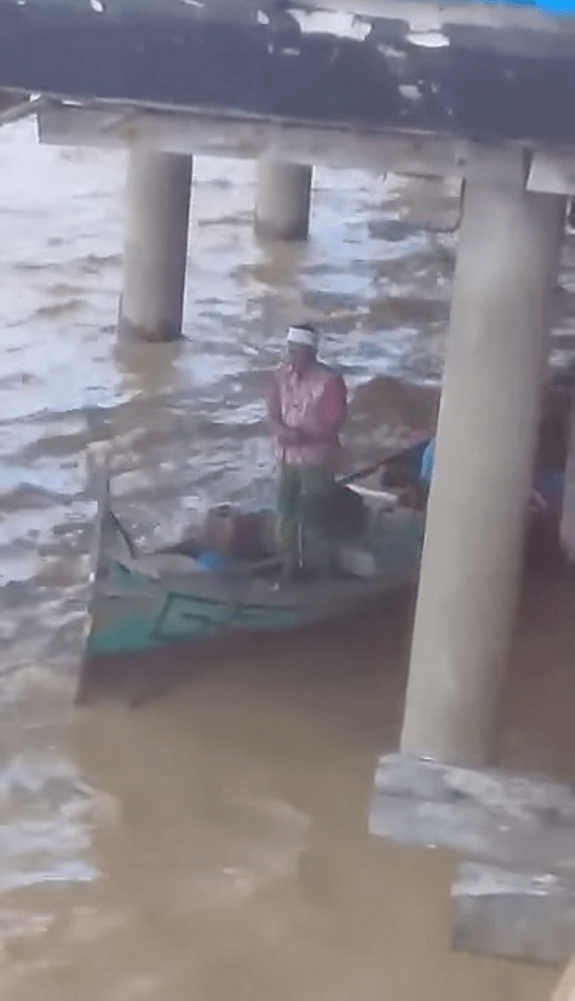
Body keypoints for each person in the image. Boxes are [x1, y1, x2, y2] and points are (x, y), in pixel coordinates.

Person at [267, 325, 348, 577]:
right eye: (290, 351)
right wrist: (281, 430)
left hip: (317, 460)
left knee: (316, 516)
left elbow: (334, 423)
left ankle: (325, 570)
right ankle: (289, 569)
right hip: (286, 458)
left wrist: (301, 437)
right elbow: (272, 411)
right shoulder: (281, 375)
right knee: (285, 514)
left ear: (312, 352)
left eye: (298, 352)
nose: (292, 358)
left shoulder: (330, 382)